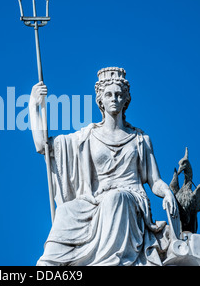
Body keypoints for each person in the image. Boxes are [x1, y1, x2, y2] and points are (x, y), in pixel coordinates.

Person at [29, 67, 178, 266]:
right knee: (65, 211)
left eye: (119, 94)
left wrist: (167, 193)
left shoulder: (140, 139)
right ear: (100, 100)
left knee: (115, 198)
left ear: (126, 100)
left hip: (129, 198)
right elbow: (42, 146)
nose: (114, 98)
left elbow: (155, 181)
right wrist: (33, 104)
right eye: (108, 94)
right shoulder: (87, 136)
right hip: (94, 200)